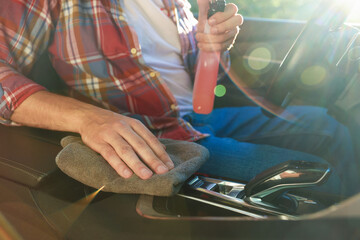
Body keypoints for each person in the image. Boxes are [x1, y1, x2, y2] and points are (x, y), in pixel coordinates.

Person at [0, 0, 358, 195]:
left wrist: (216, 49)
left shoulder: (175, 3)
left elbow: (200, 77)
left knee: (333, 126)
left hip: (200, 116)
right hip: (156, 135)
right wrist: (87, 118)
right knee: (322, 179)